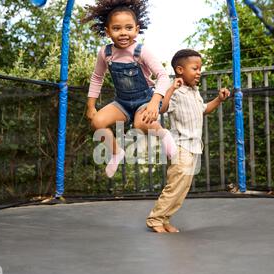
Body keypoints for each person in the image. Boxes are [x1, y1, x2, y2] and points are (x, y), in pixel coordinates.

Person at [82, 0, 177, 178]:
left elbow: (163, 76)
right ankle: (117, 153)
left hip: (146, 99)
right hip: (123, 102)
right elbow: (97, 78)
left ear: (136, 28)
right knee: (97, 122)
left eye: (128, 27)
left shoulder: (141, 51)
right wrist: (91, 106)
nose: (123, 33)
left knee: (141, 123)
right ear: (108, 31)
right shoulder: (105, 53)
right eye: (117, 28)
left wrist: (154, 102)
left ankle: (165, 136)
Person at [146, 49, 231, 233]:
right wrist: (171, 89)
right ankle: (155, 219)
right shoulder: (175, 91)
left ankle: (165, 218)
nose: (199, 72)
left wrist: (219, 99)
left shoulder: (194, 91)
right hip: (180, 146)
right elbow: (162, 108)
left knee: (182, 188)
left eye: (200, 68)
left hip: (193, 147)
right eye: (195, 68)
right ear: (180, 70)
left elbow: (204, 109)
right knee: (175, 185)